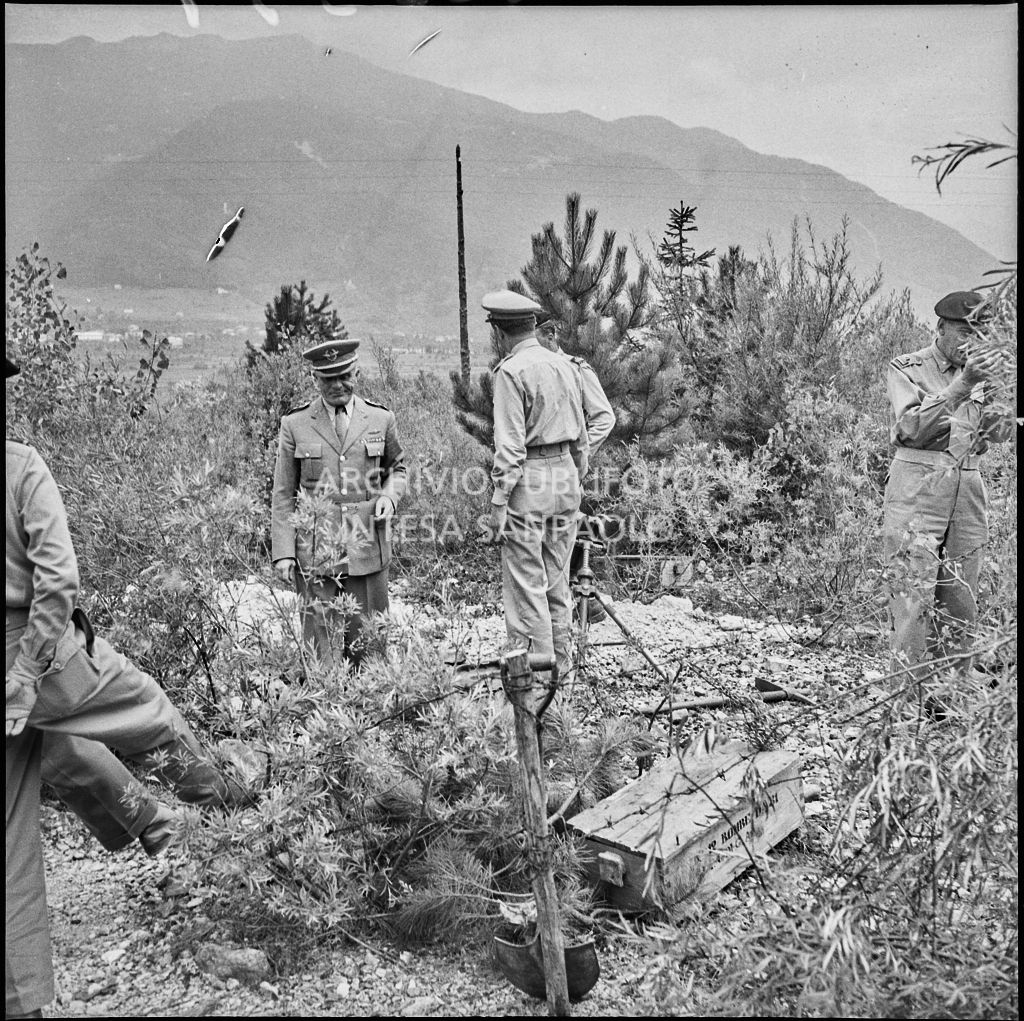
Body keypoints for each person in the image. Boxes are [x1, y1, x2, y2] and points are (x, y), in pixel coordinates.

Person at [5, 355, 251, 1021]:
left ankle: (21, 1002)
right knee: (147, 713)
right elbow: (58, 580)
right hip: (42, 659)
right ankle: (239, 818)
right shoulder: (20, 465)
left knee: (18, 820)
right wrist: (24, 677)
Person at [882, 290, 1012, 688]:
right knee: (911, 597)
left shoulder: (986, 374)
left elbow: (1001, 434)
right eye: (963, 332)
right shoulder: (908, 367)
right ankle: (904, 704)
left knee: (961, 599)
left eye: (980, 335)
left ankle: (948, 699)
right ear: (940, 328)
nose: (971, 343)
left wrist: (998, 389)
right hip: (917, 486)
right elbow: (911, 429)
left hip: (968, 487)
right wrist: (963, 385)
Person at [271, 338, 407, 669]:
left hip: (367, 546)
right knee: (321, 650)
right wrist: (284, 553)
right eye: (328, 378)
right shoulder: (295, 424)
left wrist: (389, 496)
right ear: (314, 379)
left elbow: (398, 469)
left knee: (370, 647)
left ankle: (370, 698)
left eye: (344, 376)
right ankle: (324, 698)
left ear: (356, 374)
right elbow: (284, 492)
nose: (337, 385)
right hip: (316, 552)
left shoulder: (380, 418)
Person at [484, 290, 592, 680]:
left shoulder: (510, 372)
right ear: (532, 325)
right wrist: (575, 479)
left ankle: (538, 684)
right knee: (557, 583)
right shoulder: (566, 365)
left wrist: (499, 504)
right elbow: (582, 437)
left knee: (527, 587)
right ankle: (564, 675)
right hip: (566, 476)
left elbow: (511, 448)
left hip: (528, 481)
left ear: (499, 332)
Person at [535, 313, 616, 624]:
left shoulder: (576, 368)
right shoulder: (532, 368)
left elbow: (604, 417)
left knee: (563, 535)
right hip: (538, 470)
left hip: (567, 468)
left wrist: (578, 453)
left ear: (550, 335)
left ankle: (577, 606)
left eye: (535, 336)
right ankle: (568, 608)